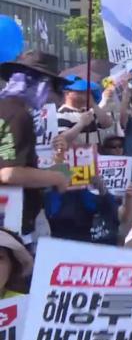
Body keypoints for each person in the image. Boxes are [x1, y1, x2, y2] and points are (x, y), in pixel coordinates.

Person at [0, 51, 72, 236]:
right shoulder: (17, 115)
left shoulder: (13, 111)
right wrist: (57, 177)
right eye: (53, 88)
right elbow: (9, 173)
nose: (55, 96)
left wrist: (59, 160)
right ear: (41, 84)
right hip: (13, 221)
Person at [57, 76, 114, 146]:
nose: (85, 93)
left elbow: (107, 124)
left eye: (86, 91)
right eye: (79, 91)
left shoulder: (88, 111)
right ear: (67, 93)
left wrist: (93, 104)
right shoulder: (61, 113)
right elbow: (61, 139)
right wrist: (81, 123)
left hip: (94, 154)